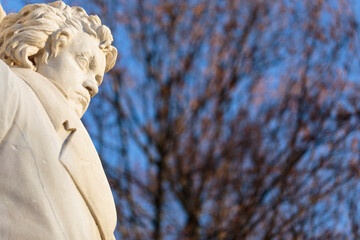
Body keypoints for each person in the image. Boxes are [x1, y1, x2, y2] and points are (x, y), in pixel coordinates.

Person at [0, 1, 117, 239]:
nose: (93, 86)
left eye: (97, 78)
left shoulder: (80, 149)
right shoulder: (11, 91)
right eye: (84, 62)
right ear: (38, 51)